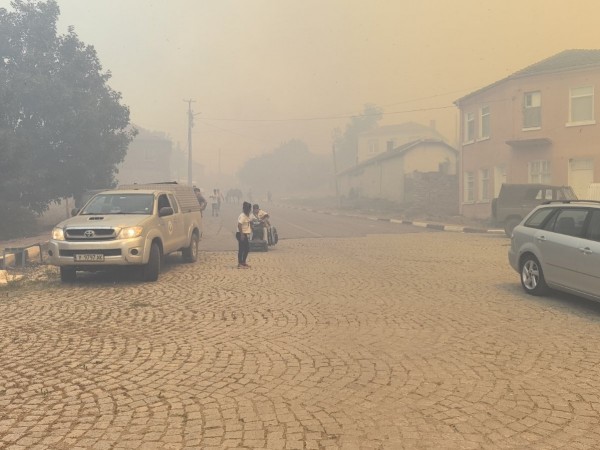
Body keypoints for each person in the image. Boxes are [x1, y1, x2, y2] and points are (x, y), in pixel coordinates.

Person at [237, 201, 252, 268]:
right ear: (244, 209)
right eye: (247, 210)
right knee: (242, 249)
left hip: (245, 234)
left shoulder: (247, 215)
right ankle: (240, 263)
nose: (249, 211)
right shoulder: (242, 216)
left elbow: (248, 223)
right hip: (240, 234)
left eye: (249, 209)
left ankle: (243, 262)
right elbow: (239, 225)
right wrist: (242, 234)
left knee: (247, 249)